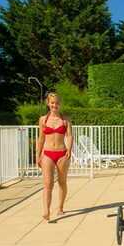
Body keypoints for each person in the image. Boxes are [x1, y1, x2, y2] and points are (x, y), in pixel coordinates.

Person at [36, 92, 73, 222]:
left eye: (57, 103)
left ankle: (60, 207)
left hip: (62, 153)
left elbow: (69, 135)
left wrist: (69, 149)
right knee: (48, 183)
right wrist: (38, 155)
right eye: (52, 103)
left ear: (60, 104)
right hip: (47, 153)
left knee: (62, 182)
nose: (54, 105)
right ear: (48, 103)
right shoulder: (43, 120)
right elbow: (40, 139)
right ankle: (46, 210)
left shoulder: (65, 120)